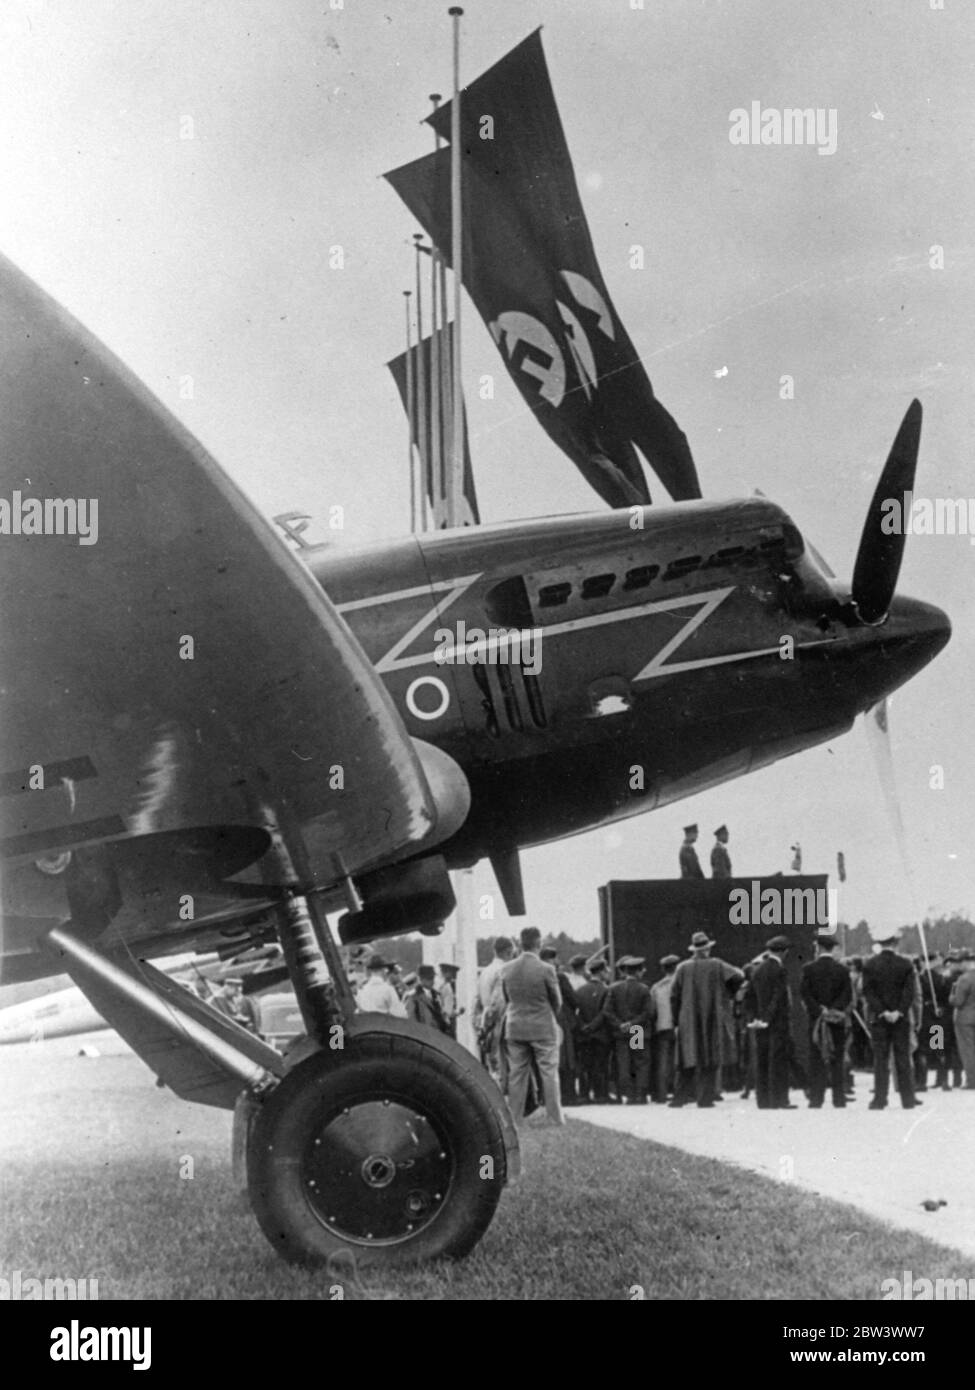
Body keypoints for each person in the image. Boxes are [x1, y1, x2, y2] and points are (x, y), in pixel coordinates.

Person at [670, 932, 743, 1108]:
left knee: (686, 1058)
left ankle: (679, 1098)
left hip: (688, 1018)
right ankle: (705, 1099)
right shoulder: (717, 965)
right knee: (710, 1057)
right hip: (712, 1015)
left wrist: (677, 1019)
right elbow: (738, 977)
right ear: (707, 949)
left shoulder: (682, 968)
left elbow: (674, 995)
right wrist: (727, 994)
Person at [502, 926, 565, 1126]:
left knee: (516, 1074)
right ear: (539, 943)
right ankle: (555, 1118)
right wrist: (550, 1016)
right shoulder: (547, 969)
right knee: (549, 1072)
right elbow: (557, 1001)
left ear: (520, 943)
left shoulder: (506, 968)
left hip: (515, 1026)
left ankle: (514, 1119)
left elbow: (506, 998)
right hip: (542, 1027)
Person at [862, 933, 918, 1109]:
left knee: (880, 1060)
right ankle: (908, 1099)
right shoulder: (906, 964)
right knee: (903, 1058)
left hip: (879, 1019)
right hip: (900, 1019)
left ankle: (880, 1099)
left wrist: (883, 1011)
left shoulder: (870, 964)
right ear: (895, 943)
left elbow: (868, 992)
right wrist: (899, 1011)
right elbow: (909, 992)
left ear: (880, 943)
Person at [800, 934, 852, 1108]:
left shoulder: (808, 969)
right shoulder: (842, 970)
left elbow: (805, 993)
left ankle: (816, 1099)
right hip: (836, 1021)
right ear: (832, 948)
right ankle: (839, 1098)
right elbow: (847, 995)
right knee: (837, 1059)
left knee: (816, 1059)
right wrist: (833, 1010)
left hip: (816, 1022)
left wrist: (819, 1010)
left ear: (819, 947)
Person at [598, 957, 653, 1104]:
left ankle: (629, 1095)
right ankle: (640, 1095)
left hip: (621, 1032)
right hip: (637, 1030)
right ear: (638, 972)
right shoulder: (643, 989)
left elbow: (607, 1011)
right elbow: (648, 1012)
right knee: (639, 1062)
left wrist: (620, 1024)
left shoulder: (614, 988)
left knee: (624, 1064)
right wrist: (632, 1024)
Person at [750, 935, 796, 1109]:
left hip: (759, 1022)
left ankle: (762, 1100)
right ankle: (779, 1099)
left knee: (762, 1059)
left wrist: (756, 1018)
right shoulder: (780, 970)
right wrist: (769, 1017)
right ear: (784, 952)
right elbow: (778, 996)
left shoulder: (757, 969)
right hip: (778, 1021)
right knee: (778, 1061)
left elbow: (750, 996)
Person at [541, 946, 580, 1105]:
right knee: (566, 1059)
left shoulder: (538, 976)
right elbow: (574, 1000)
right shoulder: (560, 977)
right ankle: (569, 1094)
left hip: (545, 1020)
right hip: (636, 1031)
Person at [475, 937, 514, 1076]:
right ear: (508, 952)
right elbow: (499, 1002)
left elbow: (477, 1000)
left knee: (492, 1066)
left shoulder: (485, 971)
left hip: (486, 1021)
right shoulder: (503, 970)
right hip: (499, 1022)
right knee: (503, 1067)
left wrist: (482, 1025)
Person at [574, 958, 611, 1102]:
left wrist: (584, 1026)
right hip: (601, 1034)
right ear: (601, 972)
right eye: (606, 971)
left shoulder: (579, 990)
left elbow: (576, 1012)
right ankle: (601, 1094)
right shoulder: (606, 990)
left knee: (584, 1065)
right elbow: (605, 1012)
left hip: (584, 1035)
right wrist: (593, 1026)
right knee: (600, 1065)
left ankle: (584, 1094)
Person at [649, 955, 680, 1103]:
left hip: (662, 1026)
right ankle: (680, 1092)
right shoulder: (681, 983)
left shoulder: (656, 987)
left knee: (663, 1062)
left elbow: (652, 1010)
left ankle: (661, 1094)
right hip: (679, 1026)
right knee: (679, 1060)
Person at [949, 952, 975, 1088]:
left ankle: (972, 1081)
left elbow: (957, 1001)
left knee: (968, 1051)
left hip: (965, 1019)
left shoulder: (964, 979)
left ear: (965, 962)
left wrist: (952, 994)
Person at [405, 964, 449, 1032]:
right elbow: (412, 1021)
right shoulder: (413, 997)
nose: (432, 981)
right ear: (421, 979)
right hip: (424, 1034)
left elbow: (442, 1015)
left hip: (439, 1034)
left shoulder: (437, 995)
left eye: (433, 978)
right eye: (429, 978)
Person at [438, 962, 461, 1038]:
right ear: (448, 973)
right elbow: (449, 1012)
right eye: (453, 973)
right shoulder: (448, 988)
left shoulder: (441, 987)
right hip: (448, 1025)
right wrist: (458, 1012)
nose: (455, 976)